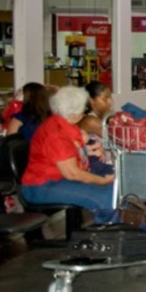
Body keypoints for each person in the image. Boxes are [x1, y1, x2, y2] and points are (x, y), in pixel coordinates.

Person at [20, 86, 116, 216]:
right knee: (105, 197)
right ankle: (111, 232)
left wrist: (88, 151)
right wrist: (102, 181)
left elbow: (64, 154)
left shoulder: (61, 123)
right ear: (76, 115)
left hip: (57, 177)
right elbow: (72, 173)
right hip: (42, 186)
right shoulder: (56, 134)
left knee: (113, 189)